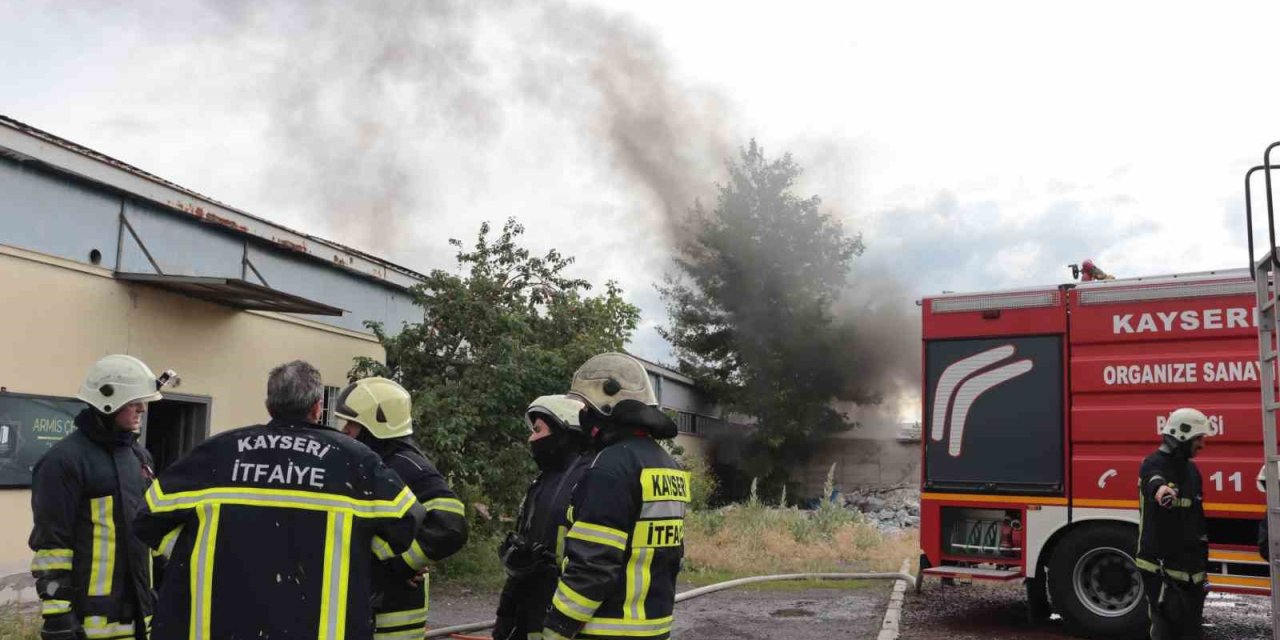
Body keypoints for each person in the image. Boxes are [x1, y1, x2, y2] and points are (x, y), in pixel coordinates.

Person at [133, 360, 427, 640]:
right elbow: (408, 521)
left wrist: (191, 551)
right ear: (317, 407)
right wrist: (362, 557)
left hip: (226, 624)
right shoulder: (354, 460)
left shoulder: (216, 452)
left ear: (269, 405)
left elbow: (147, 517)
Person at [541, 353, 688, 640]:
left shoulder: (610, 466)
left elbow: (593, 564)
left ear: (607, 404)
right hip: (654, 626)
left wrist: (558, 626)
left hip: (605, 628)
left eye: (586, 406)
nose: (583, 415)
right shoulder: (666, 463)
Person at [30, 355, 171, 640]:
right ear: (109, 402)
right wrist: (59, 617)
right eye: (134, 402)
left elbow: (150, 534)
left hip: (141, 619)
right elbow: (52, 545)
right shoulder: (64, 461)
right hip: (89, 624)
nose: (142, 409)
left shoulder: (139, 457)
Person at [332, 377, 468, 640]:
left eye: (353, 423)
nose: (345, 430)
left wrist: (400, 566)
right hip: (368, 608)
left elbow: (450, 526)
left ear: (376, 426)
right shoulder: (371, 464)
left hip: (393, 618)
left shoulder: (409, 467)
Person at [493, 394, 592, 640]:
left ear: (563, 431)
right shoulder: (542, 482)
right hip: (531, 608)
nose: (531, 438)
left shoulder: (588, 480)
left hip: (561, 615)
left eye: (538, 430)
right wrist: (506, 613)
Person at [1136, 408, 1214, 640]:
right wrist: (1161, 490)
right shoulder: (1152, 463)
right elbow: (1152, 480)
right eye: (1198, 438)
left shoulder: (1192, 470)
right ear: (1182, 435)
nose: (1202, 444)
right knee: (1167, 633)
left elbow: (1196, 520)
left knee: (1192, 632)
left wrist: (1202, 568)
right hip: (1162, 572)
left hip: (1192, 571)